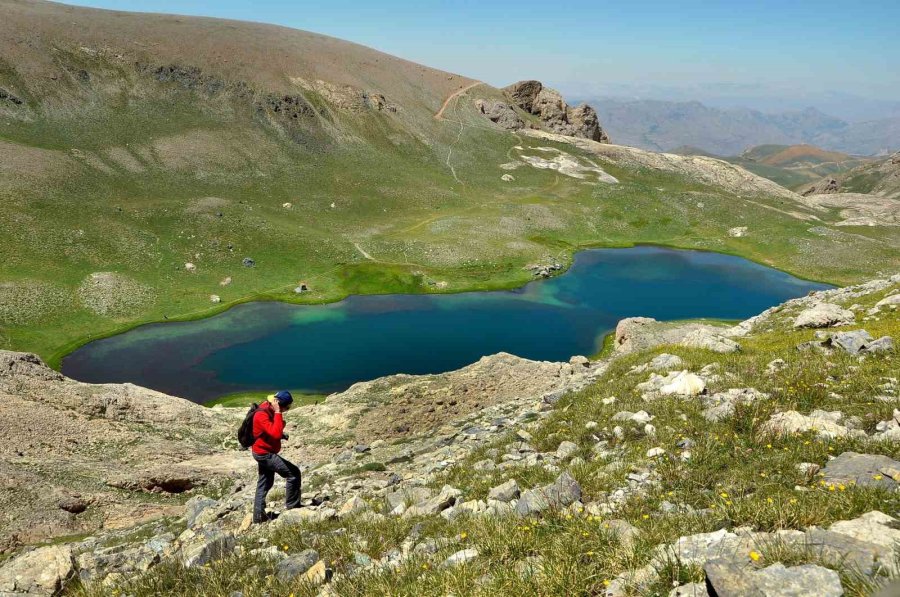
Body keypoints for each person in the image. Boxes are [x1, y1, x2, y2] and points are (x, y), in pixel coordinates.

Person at [251, 390, 301, 523]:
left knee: (265, 483)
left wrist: (281, 433)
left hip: (263, 451)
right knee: (293, 473)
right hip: (264, 454)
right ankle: (293, 506)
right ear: (279, 404)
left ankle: (258, 517)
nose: (286, 410)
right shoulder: (262, 414)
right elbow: (275, 433)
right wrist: (278, 412)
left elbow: (270, 430)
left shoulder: (268, 408)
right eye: (286, 407)